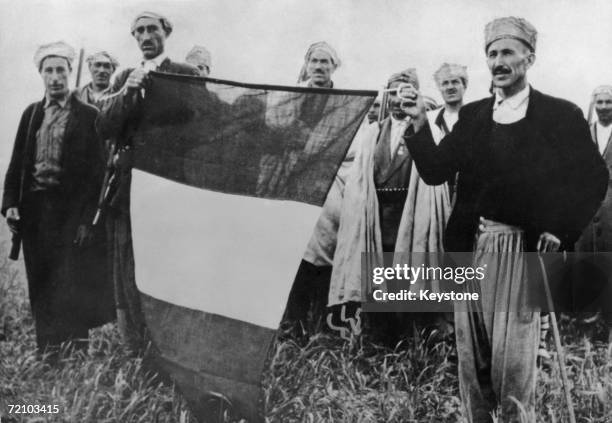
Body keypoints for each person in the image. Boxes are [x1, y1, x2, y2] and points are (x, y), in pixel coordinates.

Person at [399, 17, 607, 422]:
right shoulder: (475, 116)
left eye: (507, 52)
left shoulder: (558, 115)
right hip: (470, 246)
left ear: (529, 57)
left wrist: (560, 229)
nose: (498, 61)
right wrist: (419, 126)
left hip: (520, 251)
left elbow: (594, 178)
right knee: (472, 361)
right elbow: (437, 170)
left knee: (512, 362)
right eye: (492, 53)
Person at [96, 11, 199, 352]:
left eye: (151, 28)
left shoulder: (185, 74)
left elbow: (203, 122)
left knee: (166, 264)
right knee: (128, 265)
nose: (145, 35)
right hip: (128, 188)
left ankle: (170, 345)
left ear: (166, 32)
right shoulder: (125, 75)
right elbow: (106, 127)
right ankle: (136, 346)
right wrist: (127, 92)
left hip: (169, 186)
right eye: (138, 31)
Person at [2, 41, 112, 353]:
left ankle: (75, 353)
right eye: (48, 71)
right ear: (41, 74)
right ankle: (47, 352)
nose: (55, 77)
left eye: (61, 70)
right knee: (41, 279)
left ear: (69, 74)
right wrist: (10, 204)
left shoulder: (88, 115)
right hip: (36, 212)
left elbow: (97, 175)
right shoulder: (31, 113)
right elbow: (17, 164)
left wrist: (86, 221)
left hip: (70, 214)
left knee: (71, 282)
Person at [327, 69, 451, 343]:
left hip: (411, 212)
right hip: (377, 214)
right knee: (378, 270)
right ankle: (381, 337)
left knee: (407, 271)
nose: (398, 98)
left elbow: (434, 178)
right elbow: (359, 177)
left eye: (405, 91)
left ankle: (413, 338)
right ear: (387, 95)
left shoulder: (426, 131)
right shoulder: (373, 132)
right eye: (393, 92)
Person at [282, 41, 344, 335]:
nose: (319, 67)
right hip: (295, 186)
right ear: (306, 65)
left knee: (324, 254)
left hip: (329, 188)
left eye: (325, 62)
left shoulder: (344, 103)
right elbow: (279, 134)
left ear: (334, 67)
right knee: (294, 253)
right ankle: (293, 326)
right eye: (315, 61)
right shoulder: (294, 99)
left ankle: (322, 327)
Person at [575, 85, 612, 341]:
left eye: (609, 102)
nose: (604, 107)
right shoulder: (584, 134)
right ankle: (588, 317)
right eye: (599, 102)